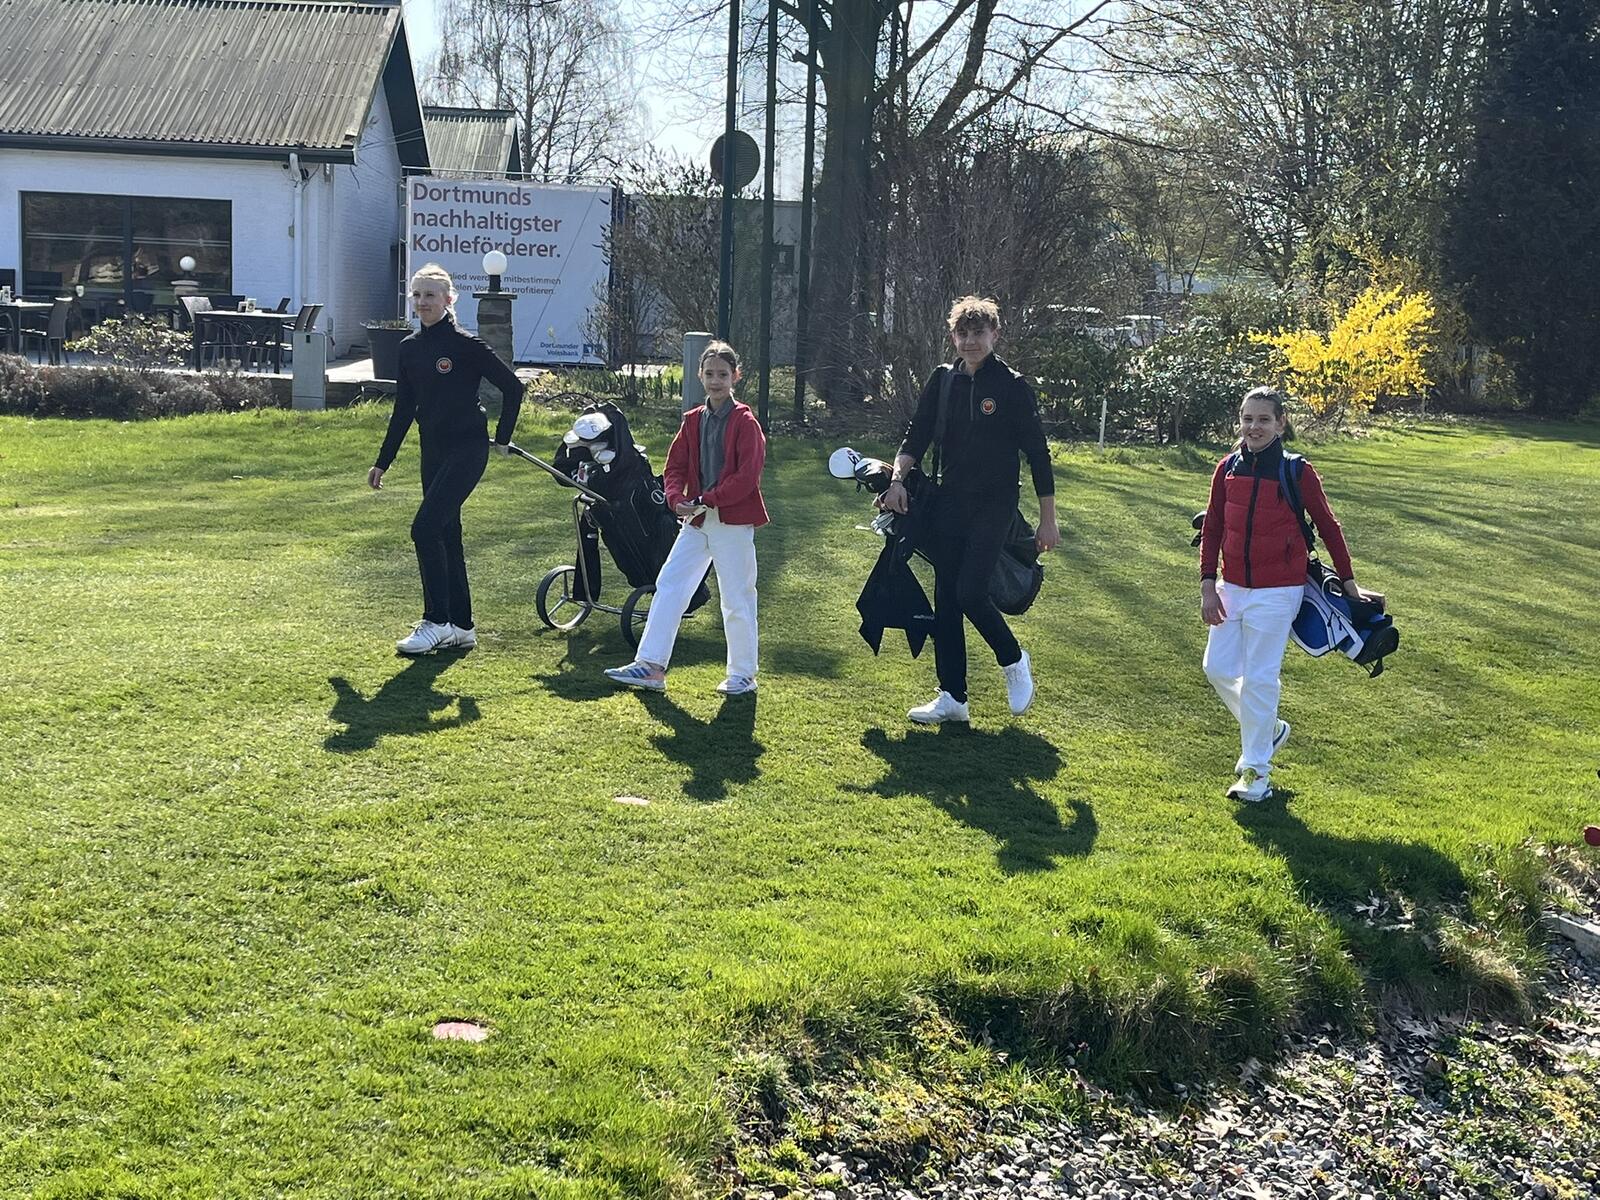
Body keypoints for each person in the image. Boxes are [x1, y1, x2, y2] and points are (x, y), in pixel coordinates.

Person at [880, 295, 1060, 724]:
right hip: (947, 503)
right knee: (946, 597)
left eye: (978, 333)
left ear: (994, 335)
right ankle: (952, 697)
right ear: (952, 336)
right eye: (962, 333)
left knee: (970, 592)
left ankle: (1014, 658)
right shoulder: (943, 380)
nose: (970, 341)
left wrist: (1048, 519)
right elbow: (915, 437)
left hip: (994, 506)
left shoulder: (1013, 387)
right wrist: (897, 481)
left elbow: (1038, 455)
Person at [1198, 386, 1371, 801]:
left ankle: (1256, 773)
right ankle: (1269, 730)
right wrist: (1207, 584)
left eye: (1263, 420)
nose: (1253, 427)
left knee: (1260, 678)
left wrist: (1349, 584)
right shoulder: (1227, 468)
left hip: (1280, 592)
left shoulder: (1298, 472)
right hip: (1232, 586)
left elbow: (1329, 527)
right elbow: (1214, 527)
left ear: (1281, 424)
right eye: (1247, 419)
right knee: (1216, 668)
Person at [367, 263, 522, 655]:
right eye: (417, 295)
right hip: (432, 452)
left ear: (449, 299)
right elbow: (403, 410)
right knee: (446, 535)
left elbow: (513, 388)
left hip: (467, 450)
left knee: (424, 528)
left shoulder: (465, 345)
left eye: (430, 295)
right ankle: (462, 626)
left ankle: (435, 621)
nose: (422, 302)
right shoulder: (409, 349)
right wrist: (383, 461)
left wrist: (502, 439)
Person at [604, 341, 768, 695]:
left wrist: (707, 499)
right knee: (670, 584)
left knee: (736, 597)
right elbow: (674, 466)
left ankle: (743, 675)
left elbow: (746, 477)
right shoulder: (693, 420)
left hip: (731, 521)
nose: (715, 381)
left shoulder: (746, 422)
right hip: (696, 520)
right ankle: (650, 665)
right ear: (699, 375)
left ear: (735, 376)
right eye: (709, 374)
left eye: (723, 375)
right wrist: (676, 498)